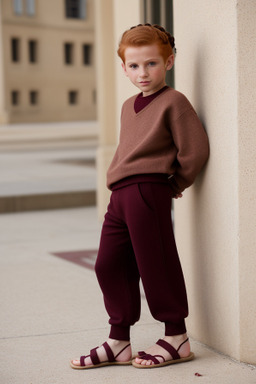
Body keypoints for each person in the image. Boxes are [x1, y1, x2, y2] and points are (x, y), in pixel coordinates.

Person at [70, 23, 209, 370]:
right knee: (108, 263)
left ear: (169, 62)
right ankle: (119, 340)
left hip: (148, 189)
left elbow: (195, 150)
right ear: (123, 68)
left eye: (151, 63)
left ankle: (176, 335)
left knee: (156, 264)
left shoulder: (174, 101)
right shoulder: (128, 105)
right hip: (120, 195)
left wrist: (174, 184)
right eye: (134, 65)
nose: (142, 72)